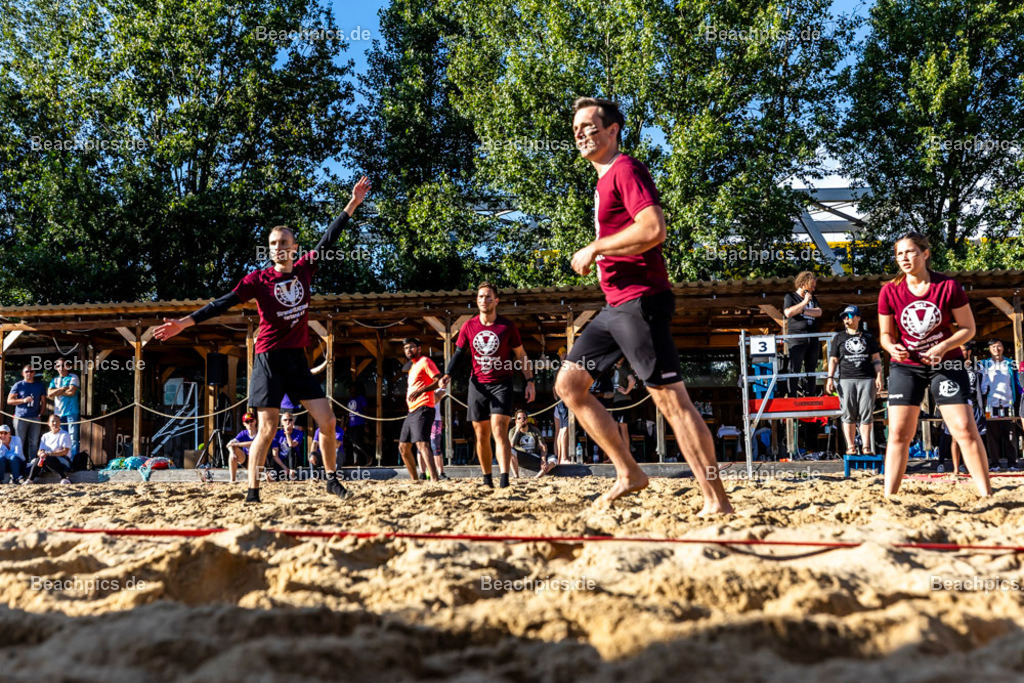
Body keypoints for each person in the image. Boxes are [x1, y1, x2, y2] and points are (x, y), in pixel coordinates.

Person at [556, 96, 732, 513]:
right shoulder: (602, 181)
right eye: (576, 128)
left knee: (671, 401)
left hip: (641, 302)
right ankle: (629, 473)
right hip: (614, 307)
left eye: (589, 126)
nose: (581, 133)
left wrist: (596, 247)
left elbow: (653, 229)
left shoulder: (626, 169)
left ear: (612, 130)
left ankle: (717, 501)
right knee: (569, 384)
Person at [154, 176, 371, 502]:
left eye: (284, 242)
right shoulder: (258, 279)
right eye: (273, 243)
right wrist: (185, 322)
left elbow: (329, 238)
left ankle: (330, 479)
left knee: (327, 420)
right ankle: (253, 491)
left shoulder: (305, 269)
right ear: (269, 250)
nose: (279, 247)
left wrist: (353, 203)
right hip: (268, 360)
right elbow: (222, 302)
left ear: (294, 248)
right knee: (267, 429)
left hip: (297, 359)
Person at [878, 231, 990, 497]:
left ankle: (986, 494)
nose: (904, 258)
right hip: (906, 366)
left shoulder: (948, 286)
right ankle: (889, 498)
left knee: (964, 429)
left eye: (910, 252)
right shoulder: (889, 291)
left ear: (925, 254)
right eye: (899, 254)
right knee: (898, 434)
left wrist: (943, 346)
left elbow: (968, 328)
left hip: (946, 363)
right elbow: (885, 335)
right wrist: (891, 346)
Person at [438, 283, 536, 488]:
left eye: (488, 297)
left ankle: (504, 479)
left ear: (496, 301)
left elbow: (520, 355)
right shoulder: (468, 326)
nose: (484, 300)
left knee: (499, 430)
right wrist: (447, 374)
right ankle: (486, 478)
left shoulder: (507, 326)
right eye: (481, 297)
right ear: (477, 300)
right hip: (477, 386)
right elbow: (458, 354)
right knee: (481, 434)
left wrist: (530, 381)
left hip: (502, 384)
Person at [825, 305, 883, 455]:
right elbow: (833, 359)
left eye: (849, 316)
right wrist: (830, 378)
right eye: (844, 317)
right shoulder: (839, 337)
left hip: (866, 378)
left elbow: (876, 358)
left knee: (866, 412)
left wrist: (879, 376)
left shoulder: (868, 337)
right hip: (846, 378)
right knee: (848, 413)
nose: (846, 319)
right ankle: (850, 446)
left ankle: (866, 447)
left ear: (858, 318)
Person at [938, 341, 985, 475]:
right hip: (953, 403)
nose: (960, 353)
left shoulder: (977, 367)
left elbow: (981, 387)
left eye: (963, 350)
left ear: (969, 352)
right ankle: (955, 468)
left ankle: (967, 465)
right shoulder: (950, 365)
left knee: (971, 436)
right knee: (953, 437)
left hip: (972, 404)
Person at [399, 338, 441, 482]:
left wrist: (421, 391)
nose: (408, 350)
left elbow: (439, 380)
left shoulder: (425, 361)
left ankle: (435, 479)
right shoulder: (412, 367)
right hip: (412, 411)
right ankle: (415, 481)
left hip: (424, 408)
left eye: (411, 347)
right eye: (406, 348)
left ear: (419, 348)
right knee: (403, 448)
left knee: (422, 444)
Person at [979, 338, 1022, 471]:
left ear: (1003, 348)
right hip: (991, 404)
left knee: (1010, 434)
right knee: (992, 435)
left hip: (1008, 402)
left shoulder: (1010, 363)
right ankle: (995, 463)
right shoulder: (984, 364)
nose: (996, 349)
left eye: (999, 346)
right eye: (993, 347)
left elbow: (1017, 382)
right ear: (989, 349)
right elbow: (981, 385)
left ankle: (1012, 463)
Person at [783, 271, 823, 397]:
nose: (813, 288)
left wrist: (803, 310)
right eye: (812, 285)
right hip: (797, 337)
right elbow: (788, 313)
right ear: (804, 283)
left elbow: (819, 312)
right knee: (795, 367)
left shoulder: (813, 298)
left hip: (812, 337)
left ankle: (810, 394)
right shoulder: (790, 297)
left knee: (811, 369)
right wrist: (804, 303)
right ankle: (792, 395)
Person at [8, 365, 47, 462]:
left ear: (34, 373)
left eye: (31, 371)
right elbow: (9, 401)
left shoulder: (39, 385)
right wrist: (23, 400)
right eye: (26, 371)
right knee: (19, 442)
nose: (29, 373)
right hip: (21, 418)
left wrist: (40, 415)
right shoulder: (18, 385)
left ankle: (32, 464)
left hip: (35, 418)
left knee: (34, 442)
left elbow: (43, 402)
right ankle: (19, 463)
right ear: (23, 373)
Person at [25, 415, 73, 484]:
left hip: (62, 461)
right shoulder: (45, 436)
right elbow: (39, 451)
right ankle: (30, 479)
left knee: (47, 458)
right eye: (53, 421)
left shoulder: (65, 435)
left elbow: (65, 452)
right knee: (40, 458)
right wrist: (41, 454)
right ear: (48, 423)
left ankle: (63, 478)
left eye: (57, 421)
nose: (55, 423)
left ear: (60, 423)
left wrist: (49, 454)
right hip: (46, 461)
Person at [47, 359, 81, 456]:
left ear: (68, 366)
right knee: (61, 438)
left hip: (72, 413)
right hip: (58, 414)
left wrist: (56, 392)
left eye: (63, 365)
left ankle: (73, 461)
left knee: (73, 439)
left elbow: (71, 392)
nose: (61, 368)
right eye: (58, 366)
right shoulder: (54, 380)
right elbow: (49, 394)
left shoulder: (73, 377)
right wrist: (62, 388)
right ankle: (64, 460)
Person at [510, 408, 548, 477]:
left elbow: (543, 446)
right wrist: (517, 430)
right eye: (519, 418)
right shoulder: (513, 431)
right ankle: (516, 476)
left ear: (527, 420)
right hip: (520, 458)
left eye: (524, 418)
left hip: (533, 456)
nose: (522, 420)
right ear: (516, 421)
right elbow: (511, 445)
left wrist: (543, 460)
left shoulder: (534, 430)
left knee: (554, 459)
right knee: (509, 450)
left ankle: (538, 477)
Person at [268, 412, 303, 480]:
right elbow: (275, 454)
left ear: (293, 422)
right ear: (281, 423)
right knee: (275, 474)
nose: (288, 422)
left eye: (290, 420)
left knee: (291, 449)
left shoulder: (298, 433)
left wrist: (287, 433)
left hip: (294, 459)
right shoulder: (277, 434)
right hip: (282, 460)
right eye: (285, 420)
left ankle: (292, 472)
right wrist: (284, 467)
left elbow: (291, 445)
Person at [345, 383, 372, 467]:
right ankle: (356, 461)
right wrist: (346, 424)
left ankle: (368, 456)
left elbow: (365, 411)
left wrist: (366, 424)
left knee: (357, 441)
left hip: (360, 423)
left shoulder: (361, 398)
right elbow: (348, 413)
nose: (350, 391)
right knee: (353, 443)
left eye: (352, 389)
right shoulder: (350, 400)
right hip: (351, 424)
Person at [225, 412, 258, 483]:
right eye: (247, 422)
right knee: (233, 452)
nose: (250, 423)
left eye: (251, 421)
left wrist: (238, 444)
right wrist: (233, 453)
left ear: (255, 421)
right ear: (244, 424)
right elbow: (229, 444)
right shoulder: (243, 433)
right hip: (245, 458)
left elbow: (255, 443)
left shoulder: (259, 432)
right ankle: (232, 480)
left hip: (258, 459)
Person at [427, 388, 449, 480]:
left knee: (436, 446)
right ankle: (423, 473)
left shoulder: (437, 386)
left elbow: (437, 397)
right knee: (421, 446)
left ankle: (441, 472)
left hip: (436, 419)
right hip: (422, 418)